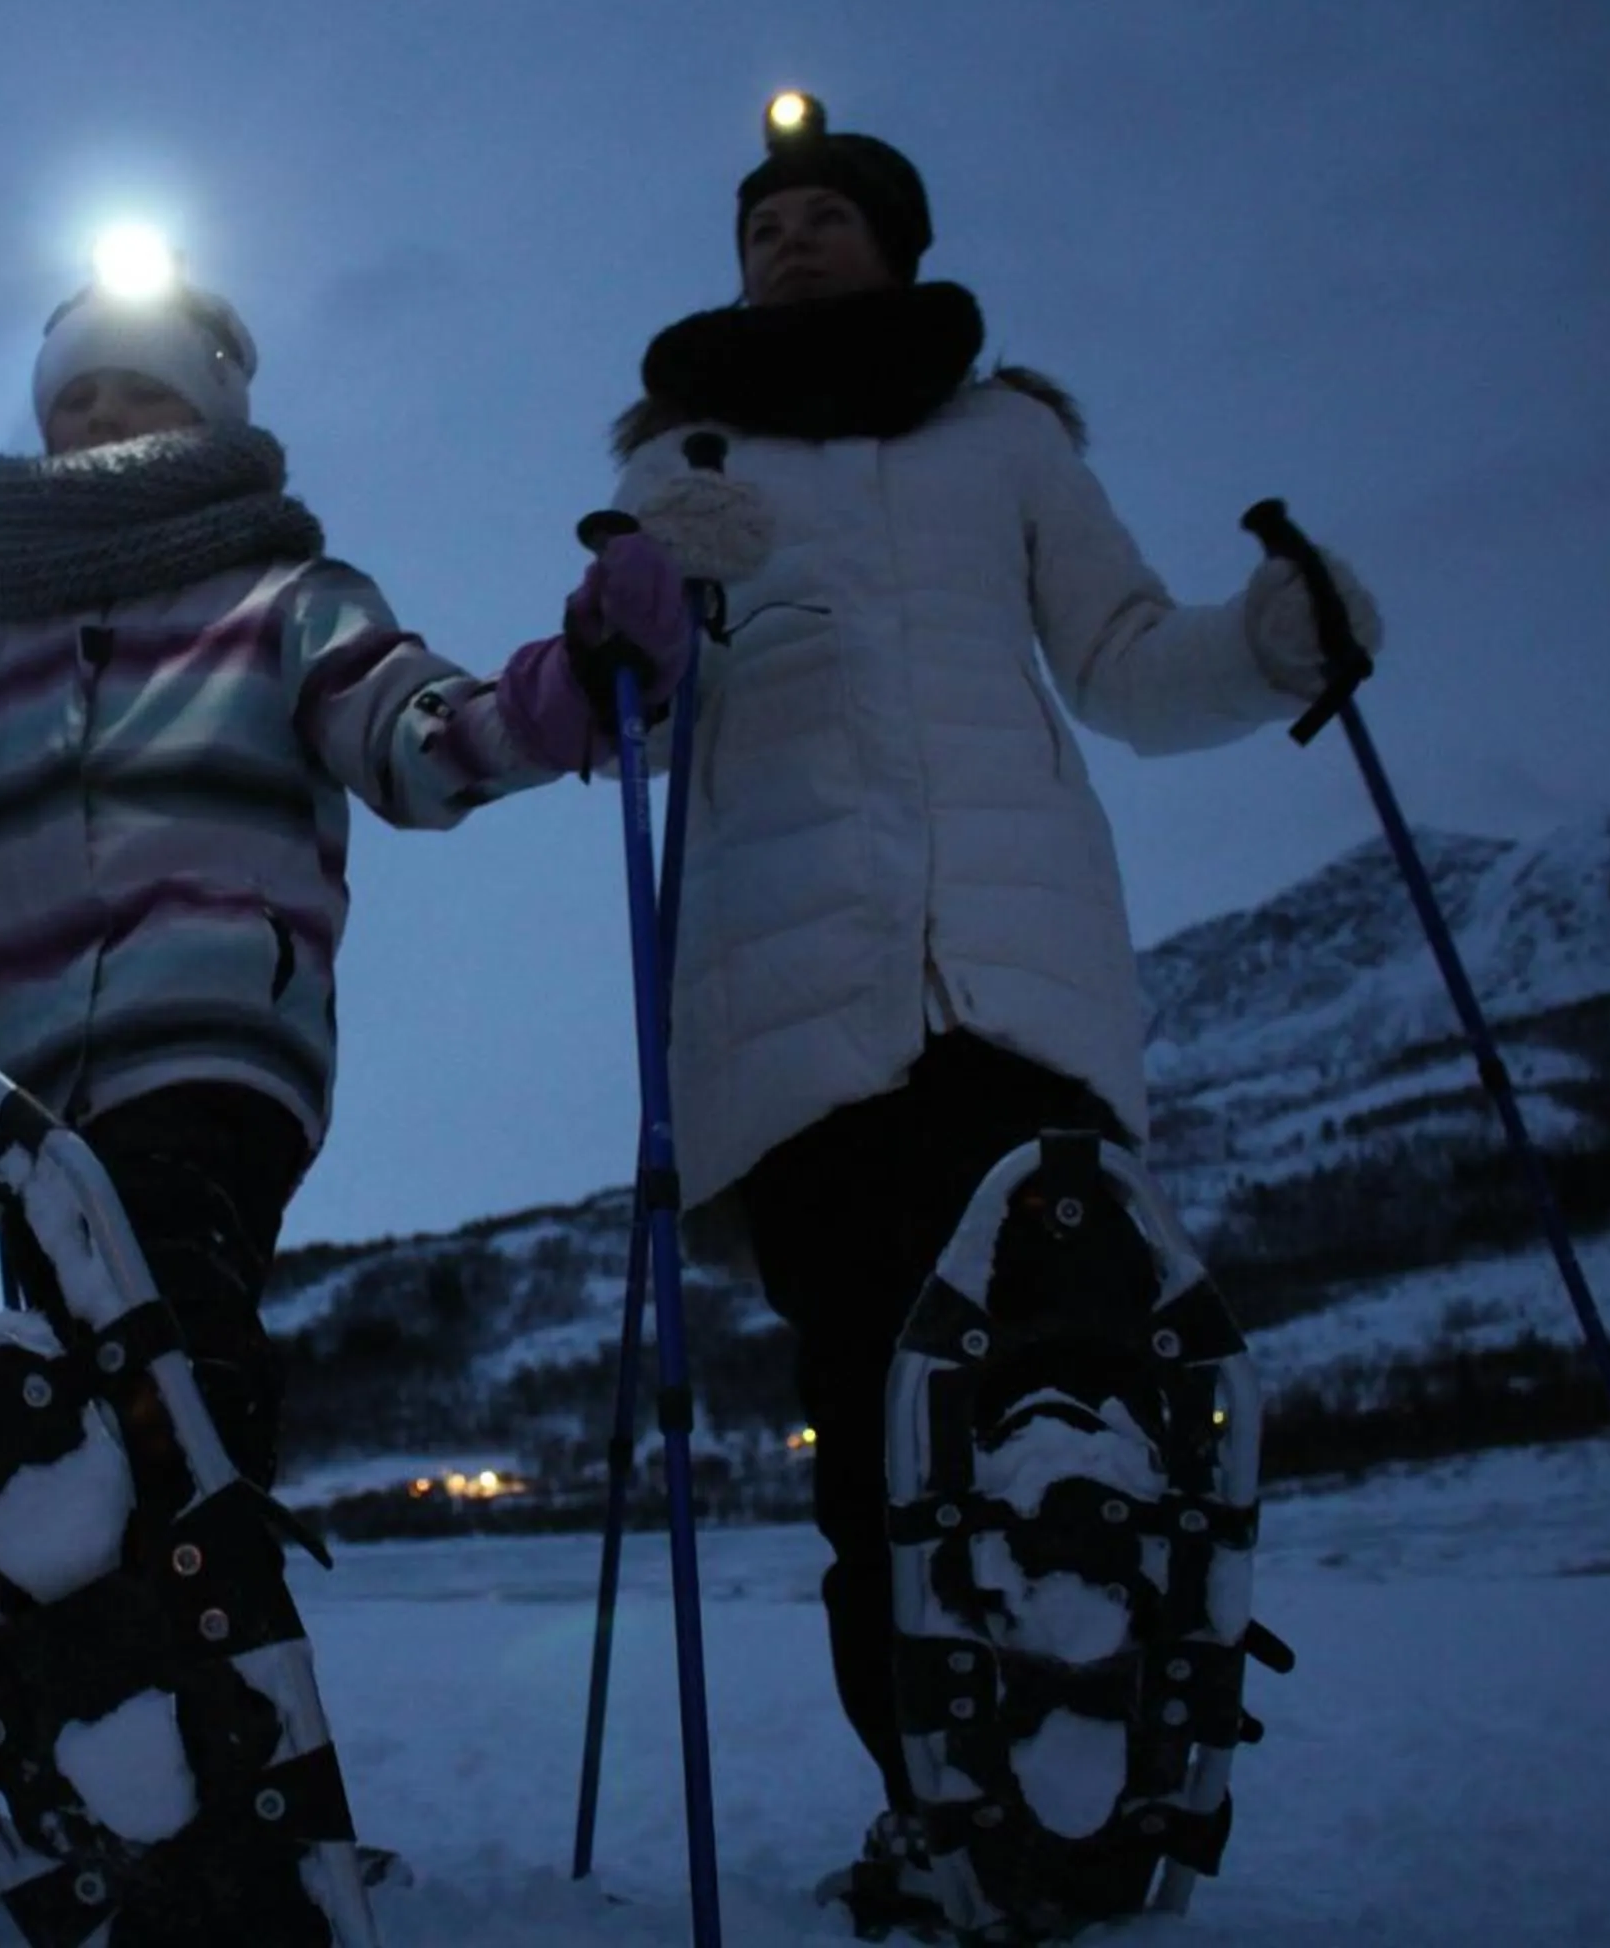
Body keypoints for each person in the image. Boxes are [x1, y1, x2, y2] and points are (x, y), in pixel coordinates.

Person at [0, 260, 690, 1941]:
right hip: (16, 1096)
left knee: (165, 1379)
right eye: (73, 394)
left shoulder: (284, 590)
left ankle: (219, 1790)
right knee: (57, 1428)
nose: (97, 418)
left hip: (212, 1044)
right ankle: (126, 1777)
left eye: (136, 392)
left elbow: (412, 735)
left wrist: (570, 691)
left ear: (210, 416)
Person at [598, 103, 1385, 1924]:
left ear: (900, 242)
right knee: (884, 1440)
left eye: (824, 215)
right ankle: (943, 1822)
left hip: (1022, 991)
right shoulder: (685, 457)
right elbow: (631, 696)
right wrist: (639, 620)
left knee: (1077, 1404)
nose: (789, 238)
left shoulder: (1004, 435)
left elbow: (1122, 661)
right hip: (796, 1019)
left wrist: (1275, 639)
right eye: (764, 221)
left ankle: (1108, 1782)